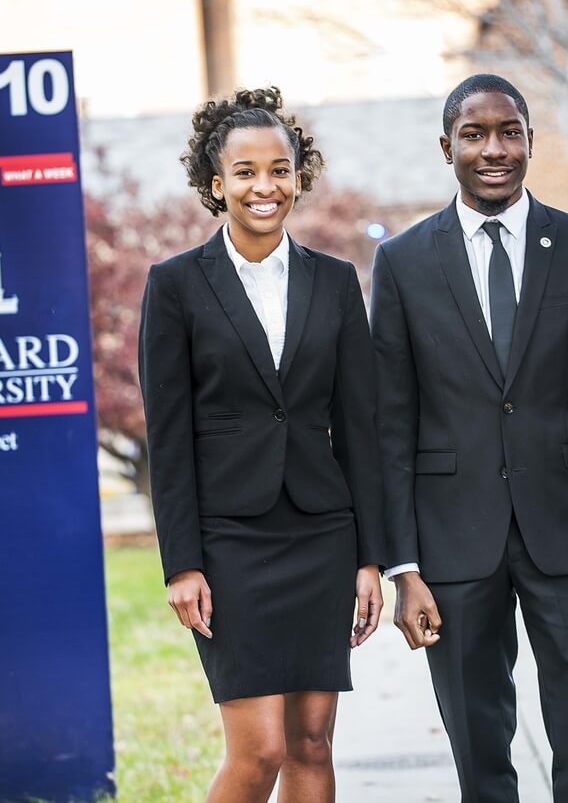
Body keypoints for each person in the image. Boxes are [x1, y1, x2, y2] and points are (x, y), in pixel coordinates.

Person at [370, 73, 568, 802]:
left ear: (530, 140)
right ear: (446, 147)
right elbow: (390, 424)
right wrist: (404, 568)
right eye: (474, 134)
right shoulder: (401, 262)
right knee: (477, 742)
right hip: (452, 541)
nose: (494, 149)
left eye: (509, 132)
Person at [138, 87, 385, 802]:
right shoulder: (176, 286)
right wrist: (181, 563)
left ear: (299, 177)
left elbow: (358, 429)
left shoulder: (335, 283)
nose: (264, 185)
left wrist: (368, 556)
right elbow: (170, 435)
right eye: (245, 171)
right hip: (229, 541)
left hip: (321, 534)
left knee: (312, 743)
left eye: (279, 168)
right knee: (260, 751)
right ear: (216, 185)